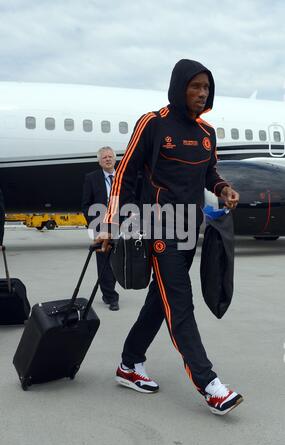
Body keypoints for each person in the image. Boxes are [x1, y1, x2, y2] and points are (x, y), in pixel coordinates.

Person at [99, 59, 243, 415]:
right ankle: (210, 385)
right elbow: (125, 174)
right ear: (179, 87)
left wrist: (223, 188)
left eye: (206, 88)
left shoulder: (207, 133)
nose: (201, 93)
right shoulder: (153, 123)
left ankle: (129, 364)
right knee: (180, 304)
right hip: (157, 229)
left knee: (157, 303)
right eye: (195, 86)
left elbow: (209, 173)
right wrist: (112, 223)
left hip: (188, 231)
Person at [82, 146, 119, 311]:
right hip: (101, 226)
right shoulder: (91, 178)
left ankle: (108, 291)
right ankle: (111, 297)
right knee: (103, 261)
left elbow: (132, 200)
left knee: (118, 261)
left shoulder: (123, 177)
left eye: (110, 156)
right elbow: (86, 205)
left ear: (115, 159)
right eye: (104, 157)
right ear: (99, 161)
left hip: (121, 225)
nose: (108, 159)